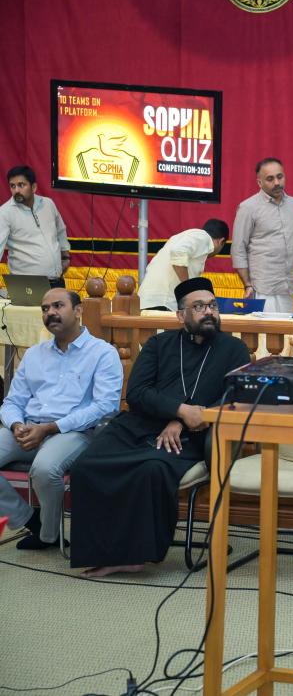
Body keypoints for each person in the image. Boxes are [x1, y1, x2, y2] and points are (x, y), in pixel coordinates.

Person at [70, 277, 250, 577]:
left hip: (192, 436)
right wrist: (179, 410)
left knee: (152, 469)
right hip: (138, 425)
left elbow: (233, 399)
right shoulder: (159, 344)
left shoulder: (233, 350)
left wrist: (182, 421)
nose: (209, 312)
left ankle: (136, 555)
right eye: (199, 307)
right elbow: (138, 392)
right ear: (181, 315)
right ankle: (102, 551)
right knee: (86, 466)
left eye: (213, 306)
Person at [0, 288, 121, 550]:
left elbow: (105, 406)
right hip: (28, 428)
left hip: (74, 432)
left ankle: (49, 534)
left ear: (78, 311)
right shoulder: (34, 354)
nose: (50, 313)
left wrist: (50, 428)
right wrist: (17, 424)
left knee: (45, 469)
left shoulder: (102, 353)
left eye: (58, 306)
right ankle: (28, 518)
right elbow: (12, 402)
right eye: (45, 309)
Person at [230, 158, 293, 313]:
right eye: (270, 179)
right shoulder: (248, 208)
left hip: (288, 288)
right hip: (261, 289)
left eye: (280, 177)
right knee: (265, 330)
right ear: (259, 183)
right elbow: (238, 250)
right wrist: (247, 285)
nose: (277, 183)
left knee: (286, 329)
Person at [0, 166, 71, 287]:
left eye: (21, 185)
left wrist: (65, 257)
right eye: (12, 186)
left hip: (56, 281)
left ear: (34, 187)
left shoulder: (48, 204)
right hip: (27, 285)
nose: (16, 190)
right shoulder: (5, 212)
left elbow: (61, 230)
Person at [137, 219, 229, 311]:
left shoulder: (183, 236)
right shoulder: (203, 237)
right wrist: (188, 289)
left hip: (149, 301)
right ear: (221, 241)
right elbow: (178, 252)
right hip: (162, 302)